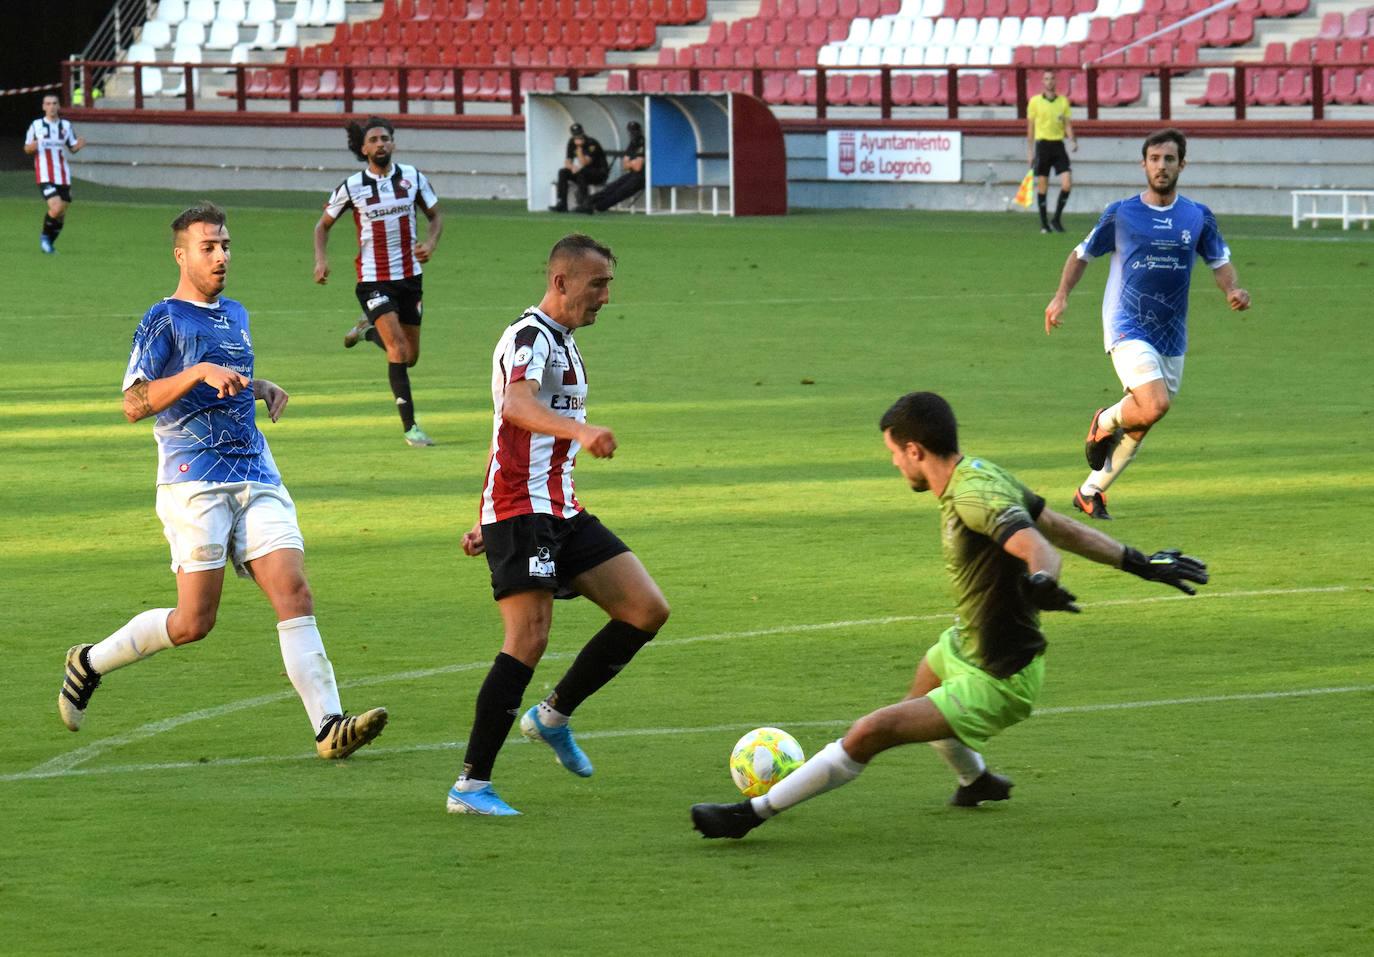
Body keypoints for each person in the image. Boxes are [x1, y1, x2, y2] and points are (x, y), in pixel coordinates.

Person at [690, 391, 1209, 840]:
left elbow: (1040, 546)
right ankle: (976, 781)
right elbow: (1057, 524)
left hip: (999, 676)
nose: (894, 463)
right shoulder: (980, 472)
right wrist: (1137, 562)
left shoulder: (972, 496)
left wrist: (1043, 579)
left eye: (894, 453)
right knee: (923, 693)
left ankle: (749, 814)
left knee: (871, 732)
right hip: (965, 644)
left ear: (915, 449)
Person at [58, 201, 388, 759]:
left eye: (226, 245)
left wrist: (257, 386)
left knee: (293, 589)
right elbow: (134, 403)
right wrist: (196, 373)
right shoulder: (162, 319)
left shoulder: (235, 312)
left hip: (256, 470)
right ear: (181, 255)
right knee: (194, 621)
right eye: (208, 247)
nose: (221, 256)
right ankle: (87, 663)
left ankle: (329, 726)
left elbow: (221, 383)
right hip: (194, 481)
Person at [447, 233, 671, 816]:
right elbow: (515, 408)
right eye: (597, 285)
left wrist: (487, 526)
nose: (604, 297)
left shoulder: (564, 342)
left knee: (646, 610)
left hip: (559, 509)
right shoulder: (528, 337)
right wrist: (583, 433)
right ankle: (470, 786)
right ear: (561, 281)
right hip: (522, 507)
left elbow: (521, 436)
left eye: (609, 286)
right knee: (527, 638)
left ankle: (552, 716)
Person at [1044, 128, 1251, 520]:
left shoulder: (1197, 216)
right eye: (1154, 159)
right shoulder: (1122, 213)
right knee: (1154, 403)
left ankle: (1090, 492)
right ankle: (1103, 421)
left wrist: (1233, 290)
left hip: (1172, 333)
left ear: (1181, 165)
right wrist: (1061, 295)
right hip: (1127, 325)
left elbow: (1219, 261)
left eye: (1169, 159)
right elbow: (1082, 253)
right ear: (1143, 164)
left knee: (1145, 417)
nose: (1161, 166)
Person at [313, 116, 443, 447]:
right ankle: (411, 429)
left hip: (410, 278)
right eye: (373, 139)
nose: (380, 143)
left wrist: (429, 244)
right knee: (398, 349)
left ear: (393, 143)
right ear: (363, 149)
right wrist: (321, 260)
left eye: (385, 138)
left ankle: (370, 332)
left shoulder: (413, 177)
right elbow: (322, 226)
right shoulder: (351, 186)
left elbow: (435, 216)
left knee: (410, 355)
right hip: (373, 281)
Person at [24, 93, 85, 255]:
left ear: (58, 106)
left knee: (61, 213)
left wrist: (78, 145)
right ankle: (44, 238)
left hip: (62, 175)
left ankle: (49, 245)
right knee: (56, 207)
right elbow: (27, 148)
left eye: (54, 103)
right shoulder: (36, 125)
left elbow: (72, 147)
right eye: (48, 104)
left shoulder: (66, 125)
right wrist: (32, 146)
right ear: (44, 107)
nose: (51, 106)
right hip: (45, 175)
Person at [1025, 70, 1075, 234]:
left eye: (1052, 78)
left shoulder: (1062, 101)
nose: (1049, 81)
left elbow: (1067, 124)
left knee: (1067, 183)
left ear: (1055, 81)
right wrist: (1030, 151)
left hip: (1058, 145)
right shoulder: (1035, 102)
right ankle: (1044, 223)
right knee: (1042, 185)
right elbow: (1031, 127)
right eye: (1046, 79)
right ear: (1042, 82)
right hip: (1043, 145)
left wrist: (1072, 139)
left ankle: (1056, 218)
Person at [579, 121, 645, 214]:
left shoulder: (643, 143)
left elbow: (637, 167)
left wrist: (631, 163)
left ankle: (597, 207)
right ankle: (588, 201)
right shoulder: (633, 144)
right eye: (631, 131)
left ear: (640, 131)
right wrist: (633, 163)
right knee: (612, 187)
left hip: (643, 177)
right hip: (632, 174)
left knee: (621, 191)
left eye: (634, 131)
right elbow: (624, 165)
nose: (632, 134)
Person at [551, 123, 609, 213]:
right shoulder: (571, 142)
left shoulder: (592, 144)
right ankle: (562, 203)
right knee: (563, 172)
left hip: (599, 173)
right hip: (584, 173)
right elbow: (567, 162)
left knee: (581, 173)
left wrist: (579, 147)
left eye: (579, 134)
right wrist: (572, 167)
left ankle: (584, 204)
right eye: (575, 135)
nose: (577, 137)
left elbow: (584, 162)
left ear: (583, 133)